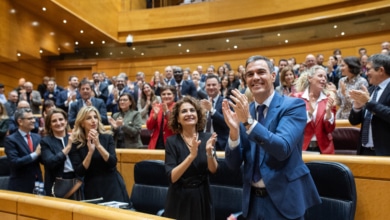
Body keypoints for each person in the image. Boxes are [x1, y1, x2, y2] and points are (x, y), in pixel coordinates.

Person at [222, 55, 320, 219]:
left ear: (273, 76)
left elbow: (282, 148)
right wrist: (234, 133)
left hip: (284, 201)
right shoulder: (246, 111)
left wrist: (248, 122)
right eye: (250, 74)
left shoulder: (293, 106)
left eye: (261, 72)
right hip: (252, 202)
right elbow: (232, 164)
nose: (255, 78)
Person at [164, 96, 218, 220]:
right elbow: (172, 177)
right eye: (184, 111)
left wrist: (209, 152)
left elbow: (213, 170)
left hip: (202, 196)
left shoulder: (207, 138)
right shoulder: (172, 141)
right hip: (179, 198)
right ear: (178, 119)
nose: (189, 114)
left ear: (198, 115)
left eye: (192, 110)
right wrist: (191, 156)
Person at [69, 106, 129, 202]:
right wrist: (90, 152)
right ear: (82, 123)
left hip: (112, 185)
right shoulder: (76, 143)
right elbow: (79, 172)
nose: (93, 121)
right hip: (92, 187)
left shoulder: (107, 137)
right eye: (89, 118)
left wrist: (98, 146)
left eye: (95, 117)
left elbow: (112, 162)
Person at [349, 54, 390, 156]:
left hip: (385, 152)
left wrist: (368, 102)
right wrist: (357, 107)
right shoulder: (370, 90)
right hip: (364, 151)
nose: (365, 73)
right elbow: (354, 121)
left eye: (368, 69)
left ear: (381, 70)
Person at [293, 65, 337, 154]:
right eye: (320, 76)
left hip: (324, 149)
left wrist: (328, 113)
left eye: (325, 77)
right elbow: (294, 125)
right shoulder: (296, 98)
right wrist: (310, 113)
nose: (324, 79)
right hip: (302, 147)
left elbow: (330, 130)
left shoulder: (329, 99)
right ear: (310, 78)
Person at [4, 108, 43, 193]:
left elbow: (41, 159)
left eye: (33, 118)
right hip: (20, 185)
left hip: (38, 183)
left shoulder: (37, 137)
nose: (33, 121)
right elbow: (15, 162)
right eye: (29, 119)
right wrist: (35, 154)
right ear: (20, 121)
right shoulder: (11, 140)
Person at [40, 108, 75, 196]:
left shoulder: (74, 138)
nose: (58, 123)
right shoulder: (46, 141)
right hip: (57, 182)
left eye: (61, 119)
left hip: (76, 180)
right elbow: (51, 162)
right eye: (54, 121)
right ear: (49, 125)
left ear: (66, 121)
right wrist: (68, 147)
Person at [200, 75, 230, 151]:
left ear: (219, 86)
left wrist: (212, 110)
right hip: (202, 143)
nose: (211, 87)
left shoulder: (226, 102)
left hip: (220, 144)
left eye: (214, 85)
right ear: (205, 87)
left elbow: (227, 123)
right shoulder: (201, 103)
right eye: (208, 85)